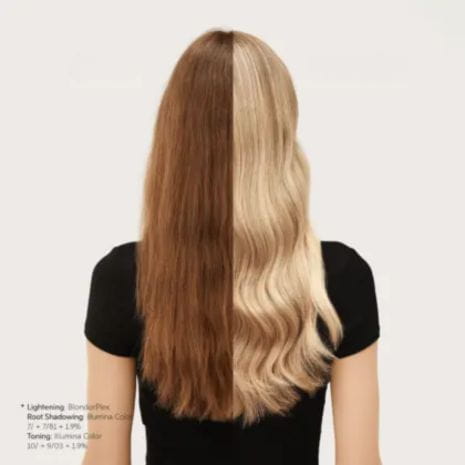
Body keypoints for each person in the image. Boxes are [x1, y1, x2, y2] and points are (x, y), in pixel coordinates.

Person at [82, 28, 382, 465]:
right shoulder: (339, 278)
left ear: (176, 138)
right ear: (280, 135)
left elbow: (104, 458)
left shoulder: (123, 277)